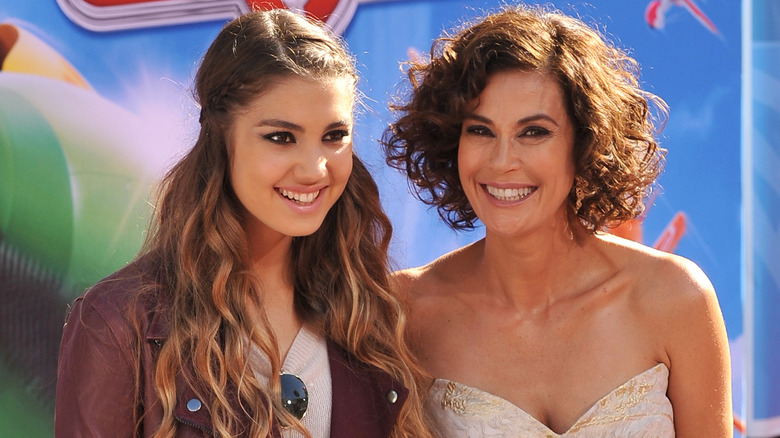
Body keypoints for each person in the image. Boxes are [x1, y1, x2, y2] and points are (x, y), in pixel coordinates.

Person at [55, 8, 433, 438]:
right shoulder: (119, 322)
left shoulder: (367, 310)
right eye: (280, 137)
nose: (314, 168)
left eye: (334, 136)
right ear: (221, 140)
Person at [382, 4, 732, 437]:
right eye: (480, 130)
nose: (503, 161)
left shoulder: (675, 298)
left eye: (534, 132)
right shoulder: (403, 312)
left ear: (585, 141)